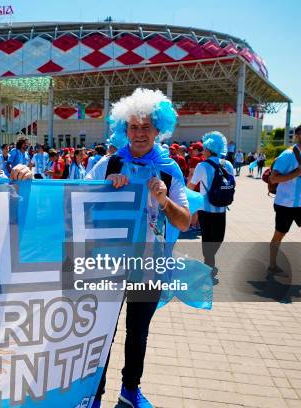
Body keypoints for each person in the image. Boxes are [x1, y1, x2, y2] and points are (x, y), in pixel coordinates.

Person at [87, 88, 190, 408]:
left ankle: (130, 390)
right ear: (123, 129)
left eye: (146, 126)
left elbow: (185, 222)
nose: (140, 133)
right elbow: (76, 205)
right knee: (102, 334)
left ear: (159, 129)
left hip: (149, 265)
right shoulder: (107, 164)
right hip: (108, 264)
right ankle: (95, 394)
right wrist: (105, 190)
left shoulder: (170, 169)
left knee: (138, 333)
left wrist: (164, 199)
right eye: (134, 126)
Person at [187, 131, 235, 274]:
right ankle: (209, 263)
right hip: (222, 208)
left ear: (208, 149)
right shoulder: (229, 165)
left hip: (205, 209)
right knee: (218, 238)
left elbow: (191, 186)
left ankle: (209, 260)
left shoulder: (202, 166)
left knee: (208, 238)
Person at [268, 122, 301, 273]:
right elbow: (273, 179)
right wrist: (297, 173)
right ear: (297, 136)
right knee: (279, 236)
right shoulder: (287, 155)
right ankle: (272, 264)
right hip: (285, 205)